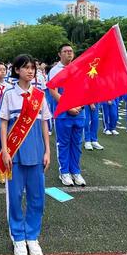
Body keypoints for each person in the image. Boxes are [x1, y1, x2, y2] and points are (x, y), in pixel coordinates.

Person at [0, 54, 51, 255]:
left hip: (37, 153)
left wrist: (47, 150)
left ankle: (32, 236)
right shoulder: (9, 95)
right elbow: (3, 122)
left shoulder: (40, 95)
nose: (30, 71)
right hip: (15, 154)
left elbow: (45, 123)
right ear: (17, 70)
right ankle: (18, 237)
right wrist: (4, 149)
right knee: (15, 196)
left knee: (37, 197)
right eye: (25, 67)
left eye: (33, 68)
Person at [48, 44, 87, 187]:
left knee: (77, 144)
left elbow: (84, 90)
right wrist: (68, 106)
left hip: (79, 112)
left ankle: (75, 171)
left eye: (71, 51)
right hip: (64, 113)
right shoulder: (55, 71)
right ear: (59, 54)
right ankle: (64, 172)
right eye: (65, 51)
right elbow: (53, 91)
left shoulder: (78, 68)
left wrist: (80, 106)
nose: (69, 54)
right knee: (63, 143)